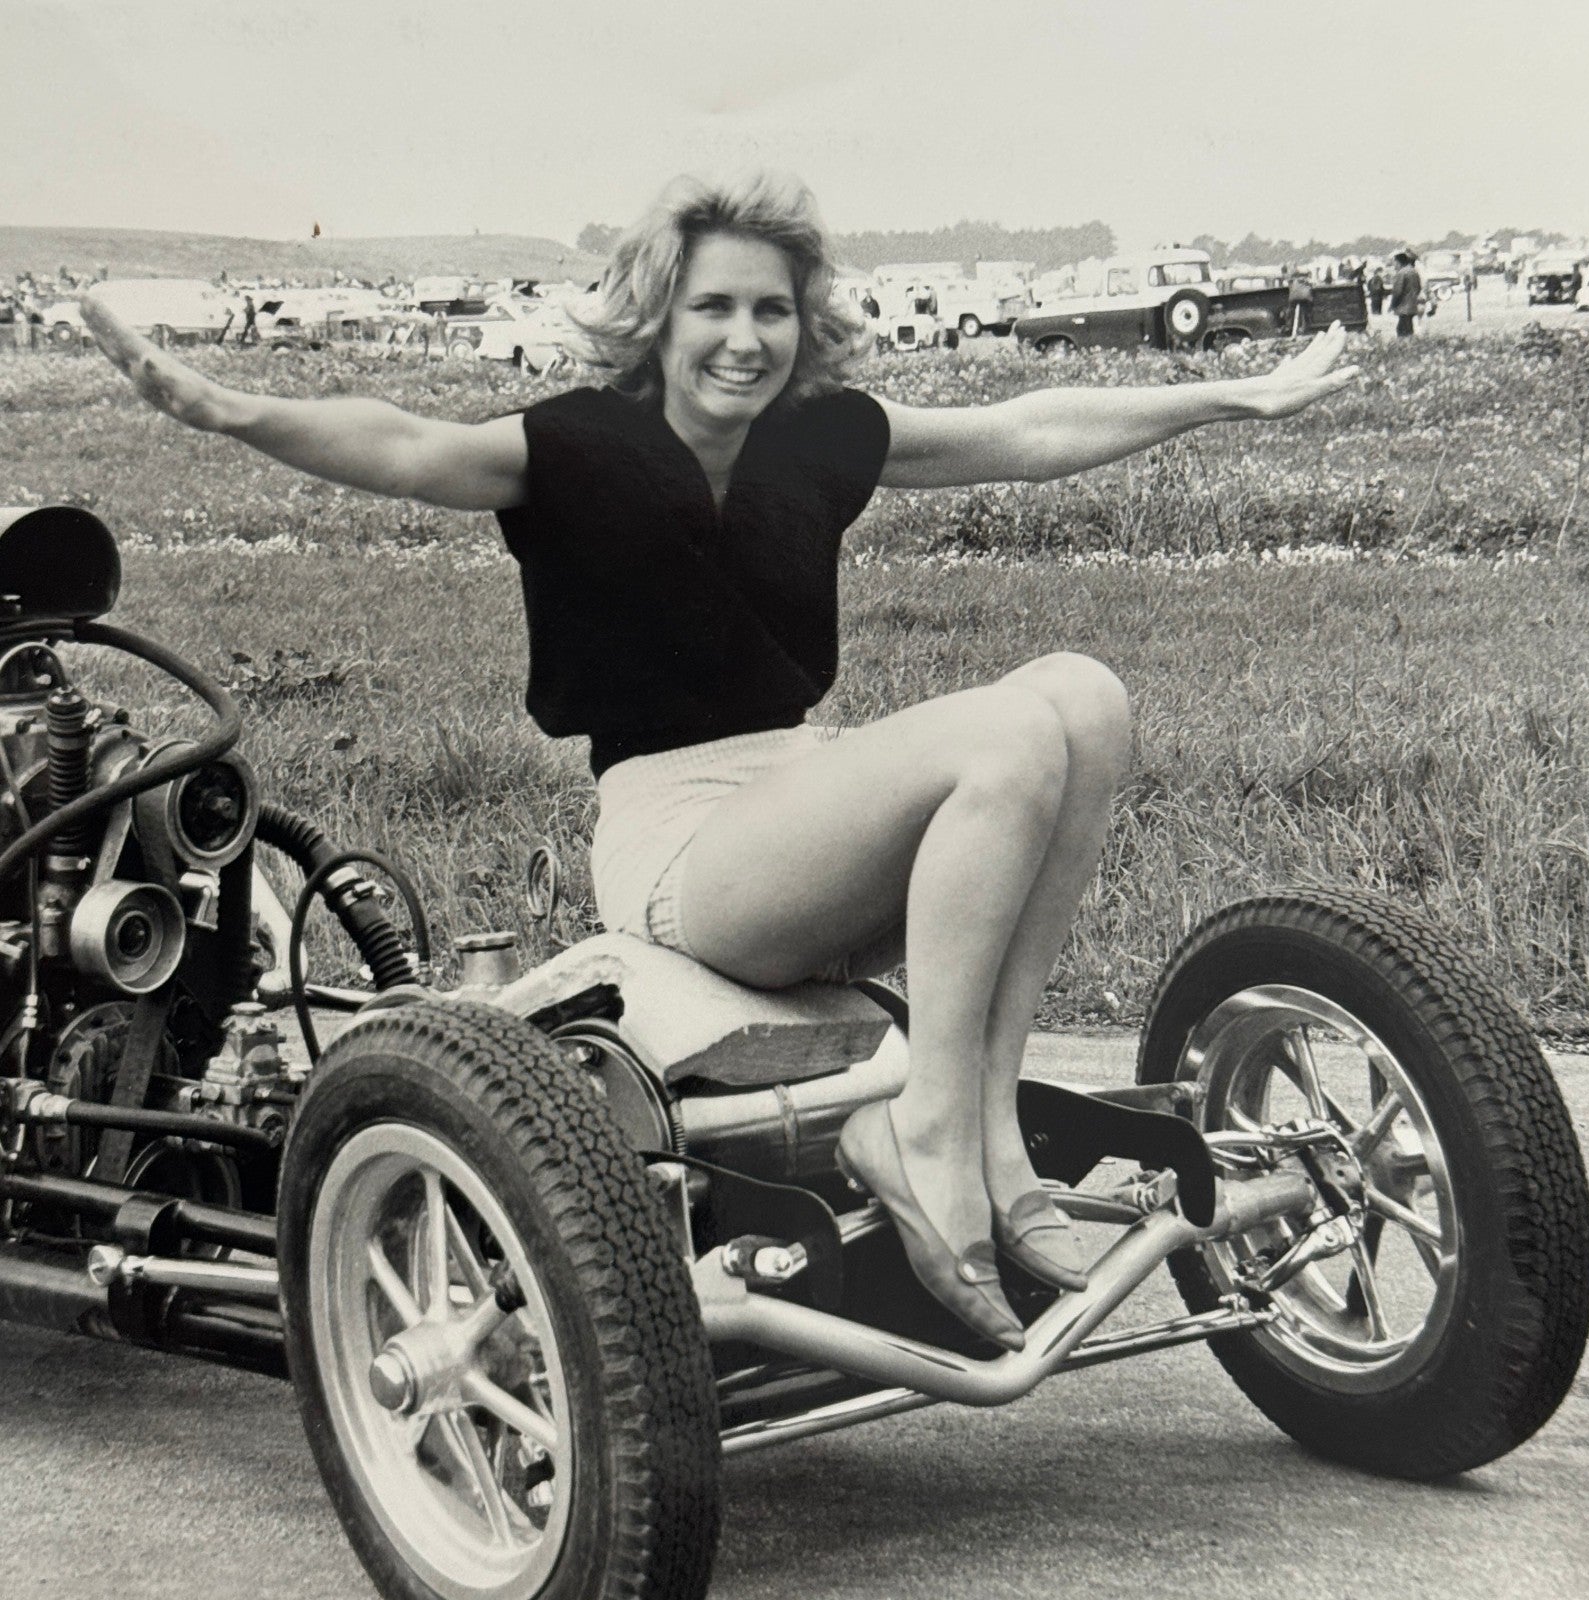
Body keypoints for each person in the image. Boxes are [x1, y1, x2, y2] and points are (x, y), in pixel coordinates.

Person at [81, 170, 1355, 1351]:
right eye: (714, 308)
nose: (745, 338)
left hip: (802, 801)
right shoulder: (575, 445)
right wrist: (226, 407)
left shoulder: (819, 437)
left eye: (771, 310)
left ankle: (980, 1114)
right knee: (1013, 729)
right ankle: (922, 1130)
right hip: (681, 843)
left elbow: (1024, 428)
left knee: (1085, 697)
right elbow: (405, 446)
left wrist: (1225, 396)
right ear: (657, 315)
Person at [1390, 249, 1424, 337]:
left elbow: (1397, 292)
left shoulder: (1401, 273)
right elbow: (1419, 288)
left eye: (1394, 262)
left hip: (1403, 306)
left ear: (1398, 262)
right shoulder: (1414, 271)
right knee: (1409, 328)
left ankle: (1406, 344)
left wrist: (1393, 305)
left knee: (1402, 330)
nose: (1394, 265)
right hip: (1412, 304)